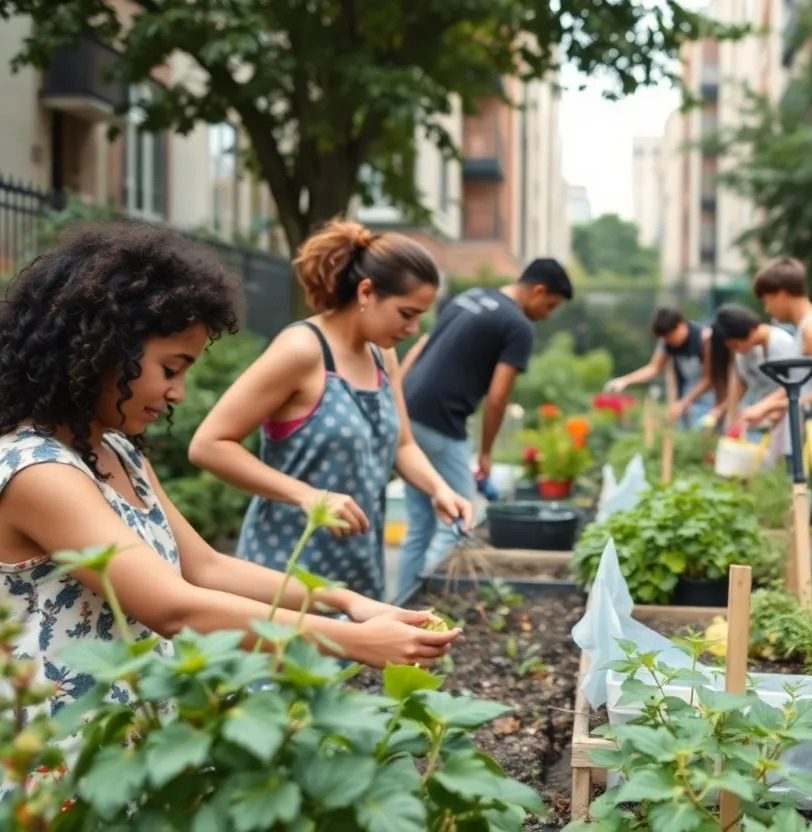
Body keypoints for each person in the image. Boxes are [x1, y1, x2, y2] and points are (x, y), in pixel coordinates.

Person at [0, 222, 460, 768]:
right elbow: (173, 606)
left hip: (135, 741)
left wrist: (345, 601)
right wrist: (348, 640)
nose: (178, 392)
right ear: (100, 349)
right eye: (171, 369)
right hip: (59, 761)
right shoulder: (36, 471)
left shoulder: (118, 452)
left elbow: (207, 568)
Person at [190, 220, 473, 603]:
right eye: (406, 313)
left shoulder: (382, 354)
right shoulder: (302, 351)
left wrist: (440, 489)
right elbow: (209, 444)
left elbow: (402, 446)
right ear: (367, 292)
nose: (413, 328)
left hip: (359, 570)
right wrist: (307, 495)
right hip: (288, 571)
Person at [396, 259, 573, 595]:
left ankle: (399, 603)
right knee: (460, 519)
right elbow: (497, 396)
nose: (547, 314)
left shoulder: (471, 297)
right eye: (549, 305)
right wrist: (486, 453)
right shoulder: (518, 325)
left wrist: (395, 400)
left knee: (421, 524)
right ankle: (424, 599)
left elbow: (421, 348)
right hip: (441, 422)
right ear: (537, 291)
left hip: (408, 413)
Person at [737, 257, 812, 429]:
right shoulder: (804, 328)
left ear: (782, 294)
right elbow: (799, 387)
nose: (767, 309)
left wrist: (770, 406)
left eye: (767, 300)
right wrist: (766, 407)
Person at [706, 304, 804, 448]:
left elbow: (794, 385)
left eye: (735, 345)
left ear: (751, 332)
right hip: (764, 416)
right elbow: (740, 382)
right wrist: (728, 415)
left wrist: (764, 407)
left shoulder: (781, 345)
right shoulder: (747, 351)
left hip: (787, 414)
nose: (736, 351)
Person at [603, 307, 715, 427]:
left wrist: (683, 403)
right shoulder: (666, 342)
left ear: (681, 325)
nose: (669, 341)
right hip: (687, 396)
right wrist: (624, 381)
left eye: (671, 336)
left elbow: (708, 379)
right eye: (665, 338)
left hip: (710, 398)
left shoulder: (704, 338)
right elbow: (654, 368)